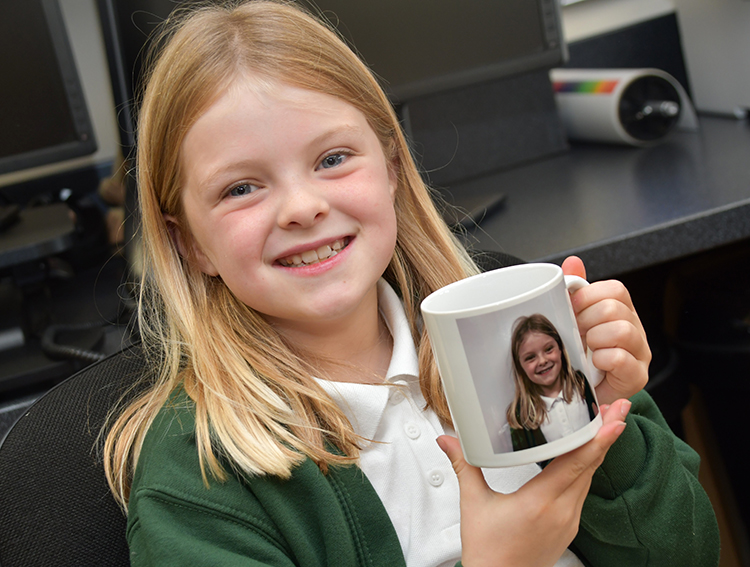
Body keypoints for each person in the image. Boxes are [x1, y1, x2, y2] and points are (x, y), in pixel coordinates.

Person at [103, 2, 719, 566]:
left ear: (392, 168)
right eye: (241, 188)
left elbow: (685, 553)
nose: (301, 207)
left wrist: (603, 421)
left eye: (332, 159)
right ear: (187, 243)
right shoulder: (197, 476)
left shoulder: (516, 336)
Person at [506, 314, 598, 454]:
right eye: (530, 357)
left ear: (560, 349)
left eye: (548, 349)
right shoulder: (520, 415)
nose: (542, 361)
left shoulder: (582, 383)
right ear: (520, 368)